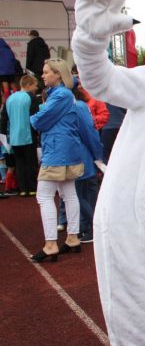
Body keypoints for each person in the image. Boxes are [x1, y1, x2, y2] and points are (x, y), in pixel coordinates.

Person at [29, 59, 84, 262]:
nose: (42, 76)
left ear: (58, 74)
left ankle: (51, 243)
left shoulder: (60, 95)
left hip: (56, 150)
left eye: (45, 72)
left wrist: (36, 118)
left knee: (44, 196)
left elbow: (38, 121)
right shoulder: (64, 94)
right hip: (67, 149)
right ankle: (72, 238)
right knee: (68, 194)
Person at [57, 83, 104, 244]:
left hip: (80, 156)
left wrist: (96, 153)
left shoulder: (77, 106)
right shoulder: (74, 106)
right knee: (82, 193)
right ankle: (90, 225)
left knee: (79, 193)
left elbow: (89, 132)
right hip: (78, 156)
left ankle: (91, 227)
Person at [0, 74, 39, 196]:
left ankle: (22, 189)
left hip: (14, 137)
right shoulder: (31, 97)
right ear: (28, 85)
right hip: (28, 134)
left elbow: (4, 118)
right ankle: (32, 188)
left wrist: (3, 134)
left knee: (20, 163)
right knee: (31, 162)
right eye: (35, 85)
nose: (36, 88)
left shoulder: (10, 98)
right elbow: (35, 116)